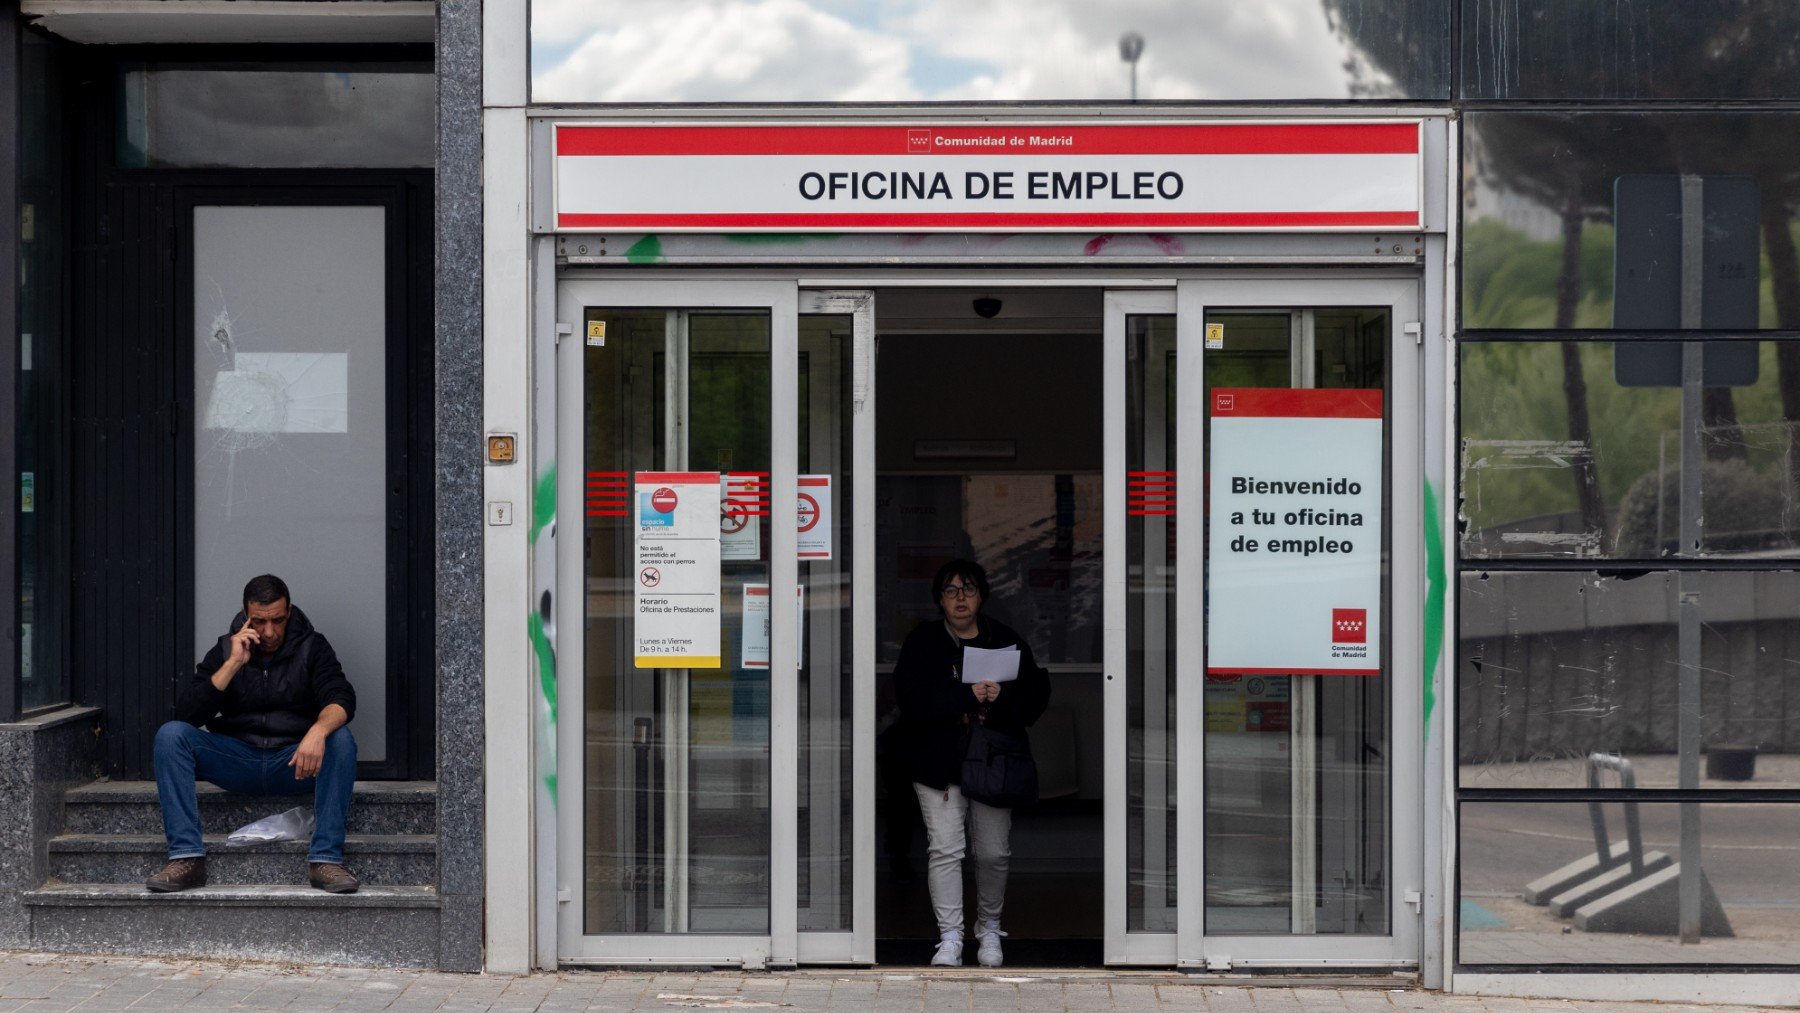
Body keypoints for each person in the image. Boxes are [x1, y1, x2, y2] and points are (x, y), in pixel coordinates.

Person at [146, 574, 360, 894]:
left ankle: (326, 860)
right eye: (259, 622)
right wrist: (233, 663)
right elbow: (187, 716)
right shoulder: (225, 648)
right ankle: (186, 859)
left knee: (340, 739)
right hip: (237, 760)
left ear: (288, 612)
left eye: (278, 620)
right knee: (170, 736)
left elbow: (342, 698)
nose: (269, 631)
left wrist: (317, 731)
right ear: (246, 615)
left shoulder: (312, 647)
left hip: (292, 762)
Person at [894, 559, 1050, 968]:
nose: (960, 598)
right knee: (946, 850)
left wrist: (1002, 698)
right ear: (939, 600)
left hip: (994, 762)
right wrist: (967, 697)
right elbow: (911, 702)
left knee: (994, 852)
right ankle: (950, 937)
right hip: (938, 765)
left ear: (981, 595)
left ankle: (989, 929)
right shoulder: (923, 642)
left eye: (968, 589)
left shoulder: (1005, 639)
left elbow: (1034, 700)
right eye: (950, 591)